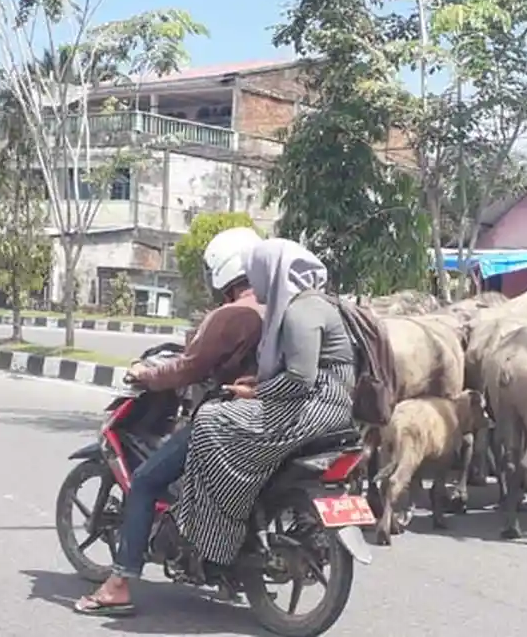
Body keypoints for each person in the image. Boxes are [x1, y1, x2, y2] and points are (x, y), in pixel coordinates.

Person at [74, 227, 266, 617]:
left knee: (145, 481)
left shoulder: (233, 314)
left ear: (223, 270)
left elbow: (188, 368)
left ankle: (119, 584)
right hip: (276, 417)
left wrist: (145, 374)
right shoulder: (277, 306)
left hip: (228, 418)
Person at [177, 238, 357, 574]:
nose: (252, 280)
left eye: (256, 272)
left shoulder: (301, 311)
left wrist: (255, 393)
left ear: (273, 272)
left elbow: (300, 379)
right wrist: (257, 385)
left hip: (317, 407)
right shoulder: (309, 304)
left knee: (210, 419)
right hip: (325, 404)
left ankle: (218, 532)